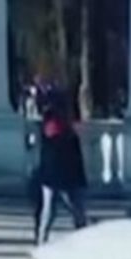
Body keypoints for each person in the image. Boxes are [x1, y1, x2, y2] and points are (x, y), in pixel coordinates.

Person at [36, 90, 88, 246]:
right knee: (71, 211)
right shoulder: (58, 127)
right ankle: (43, 239)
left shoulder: (53, 126)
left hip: (56, 175)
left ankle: (42, 240)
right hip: (61, 175)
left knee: (51, 212)